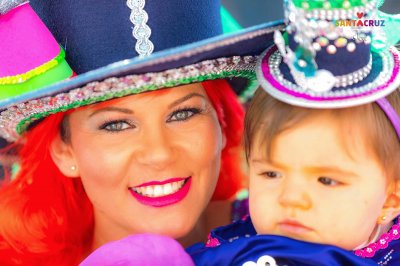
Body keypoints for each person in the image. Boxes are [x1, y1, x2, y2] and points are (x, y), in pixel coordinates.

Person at [0, 0, 284, 265]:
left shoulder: (299, 234)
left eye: (183, 114)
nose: (159, 153)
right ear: (64, 149)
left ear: (221, 122)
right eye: (116, 125)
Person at [188, 0, 400, 265]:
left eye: (327, 180)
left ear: (390, 200)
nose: (291, 198)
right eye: (271, 173)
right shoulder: (232, 253)